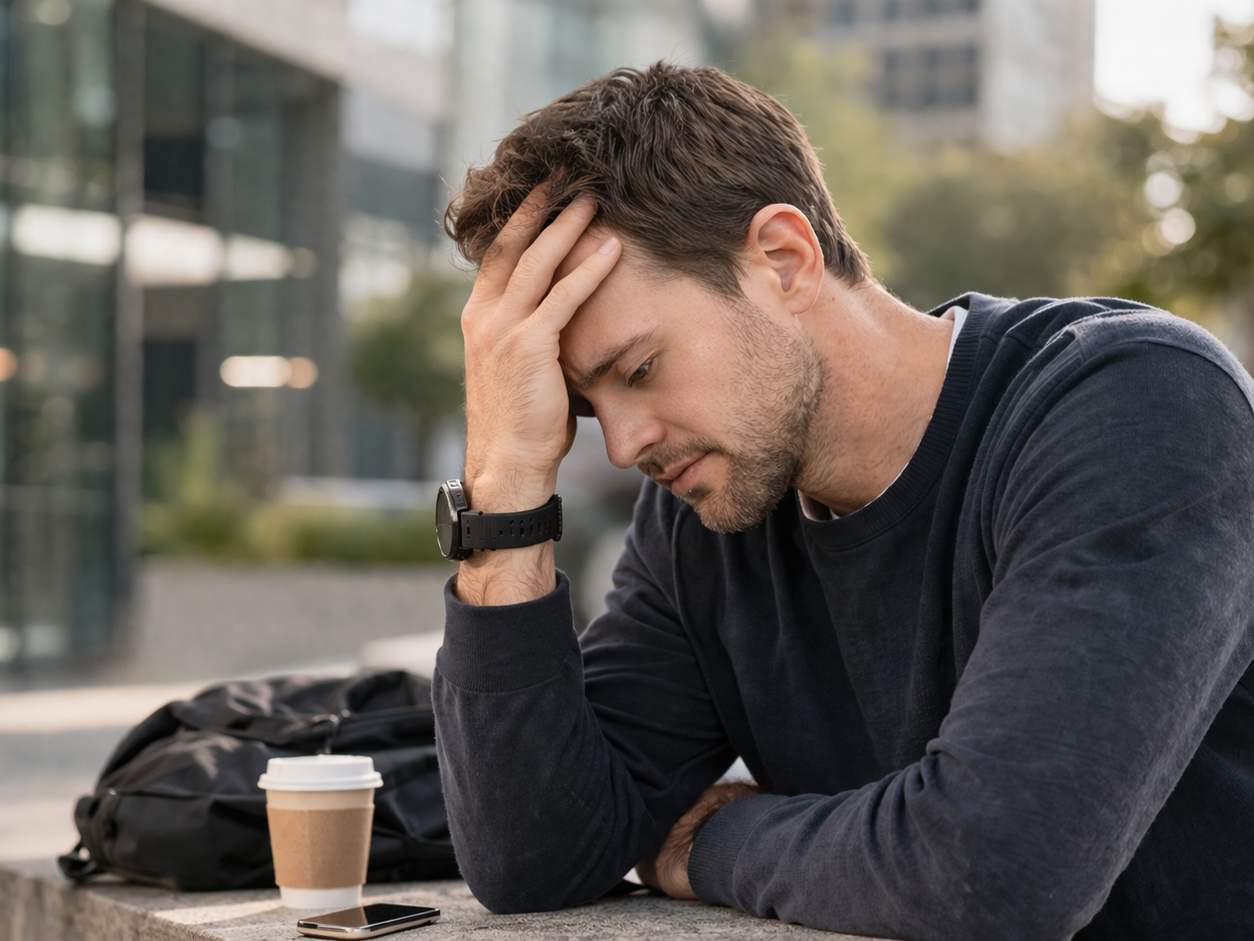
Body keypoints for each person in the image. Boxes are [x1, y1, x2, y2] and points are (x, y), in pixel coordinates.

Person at [429, 63, 1254, 940]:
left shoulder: (1136, 406)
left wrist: (713, 838)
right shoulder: (707, 515)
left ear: (784, 259)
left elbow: (994, 870)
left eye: (638, 369)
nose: (626, 445)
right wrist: (506, 490)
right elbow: (535, 857)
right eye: (592, 406)